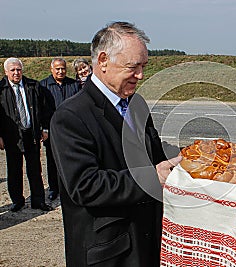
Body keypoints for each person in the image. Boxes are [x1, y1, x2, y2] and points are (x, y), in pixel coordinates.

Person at [50, 21, 181, 266]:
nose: (141, 75)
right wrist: (153, 177)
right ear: (102, 61)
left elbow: (153, 150)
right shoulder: (71, 116)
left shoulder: (136, 104)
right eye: (133, 66)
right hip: (109, 253)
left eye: (144, 66)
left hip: (147, 243)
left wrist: (194, 154)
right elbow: (85, 185)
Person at [0, 58, 53, 212]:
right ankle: (17, 201)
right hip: (12, 137)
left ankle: (38, 201)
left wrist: (45, 129)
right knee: (14, 170)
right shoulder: (1, 90)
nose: (16, 73)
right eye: (13, 70)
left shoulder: (33, 86)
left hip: (32, 134)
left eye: (19, 69)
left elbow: (44, 109)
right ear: (6, 72)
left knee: (35, 170)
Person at [40, 57, 79, 201]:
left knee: (72, 159)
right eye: (58, 69)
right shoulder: (43, 85)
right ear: (52, 70)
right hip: (52, 131)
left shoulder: (74, 85)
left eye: (63, 68)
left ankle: (70, 187)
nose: (61, 71)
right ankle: (53, 188)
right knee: (52, 161)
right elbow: (41, 110)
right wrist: (44, 129)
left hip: (71, 131)